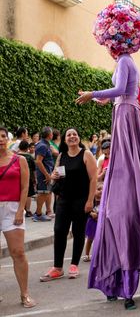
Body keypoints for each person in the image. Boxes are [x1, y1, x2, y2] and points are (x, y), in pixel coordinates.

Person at [77, 3, 140, 310]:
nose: (106, 47)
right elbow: (124, 92)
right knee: (124, 169)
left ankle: (123, 285)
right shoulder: (128, 62)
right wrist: (106, 101)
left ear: (114, 41)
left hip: (127, 116)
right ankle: (119, 285)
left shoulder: (125, 61)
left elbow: (120, 90)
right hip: (125, 112)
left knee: (127, 165)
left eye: (107, 42)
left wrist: (94, 95)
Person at [40, 128, 97, 281]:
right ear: (65, 139)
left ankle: (74, 265)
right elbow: (56, 178)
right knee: (59, 231)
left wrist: (90, 200)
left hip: (81, 200)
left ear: (79, 138)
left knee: (78, 232)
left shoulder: (86, 154)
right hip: (64, 200)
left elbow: (93, 179)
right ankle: (57, 267)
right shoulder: (61, 156)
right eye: (69, 135)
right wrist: (53, 175)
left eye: (75, 134)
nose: (72, 137)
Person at [0, 126, 36, 308]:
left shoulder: (19, 160)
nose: (0, 139)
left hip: (13, 208)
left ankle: (25, 294)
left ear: (8, 138)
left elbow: (25, 186)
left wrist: (21, 210)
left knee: (18, 253)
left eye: (3, 136)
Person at [33, 126, 54, 222]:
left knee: (45, 193)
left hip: (45, 173)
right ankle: (38, 214)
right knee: (43, 193)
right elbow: (38, 161)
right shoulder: (43, 145)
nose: (52, 134)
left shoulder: (44, 144)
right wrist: (46, 174)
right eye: (52, 133)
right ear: (50, 134)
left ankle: (39, 213)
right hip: (44, 174)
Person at [83, 183, 103, 262]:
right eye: (98, 189)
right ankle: (87, 254)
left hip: (100, 223)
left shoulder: (104, 201)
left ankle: (98, 254)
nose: (101, 191)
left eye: (102, 190)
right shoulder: (91, 200)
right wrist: (91, 213)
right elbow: (86, 210)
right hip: (91, 222)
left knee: (99, 240)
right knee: (90, 239)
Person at [18, 141, 36, 217]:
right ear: (27, 148)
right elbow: (34, 170)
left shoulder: (15, 156)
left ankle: (20, 208)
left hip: (18, 177)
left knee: (19, 192)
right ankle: (27, 210)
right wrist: (35, 180)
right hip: (28, 177)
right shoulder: (29, 157)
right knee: (29, 194)